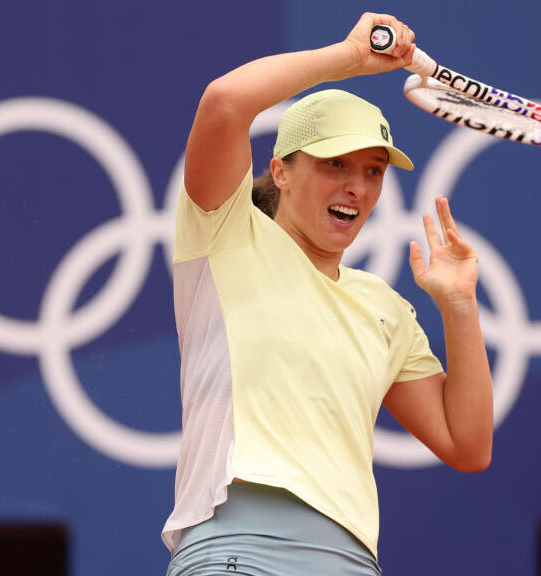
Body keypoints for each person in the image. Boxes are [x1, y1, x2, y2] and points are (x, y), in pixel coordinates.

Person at [164, 13, 493, 576]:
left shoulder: (385, 307)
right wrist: (350, 57)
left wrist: (460, 306)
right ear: (281, 172)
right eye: (334, 164)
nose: (356, 187)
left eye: (373, 171)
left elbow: (467, 445)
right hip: (233, 549)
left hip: (349, 562)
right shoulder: (226, 233)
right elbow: (224, 101)